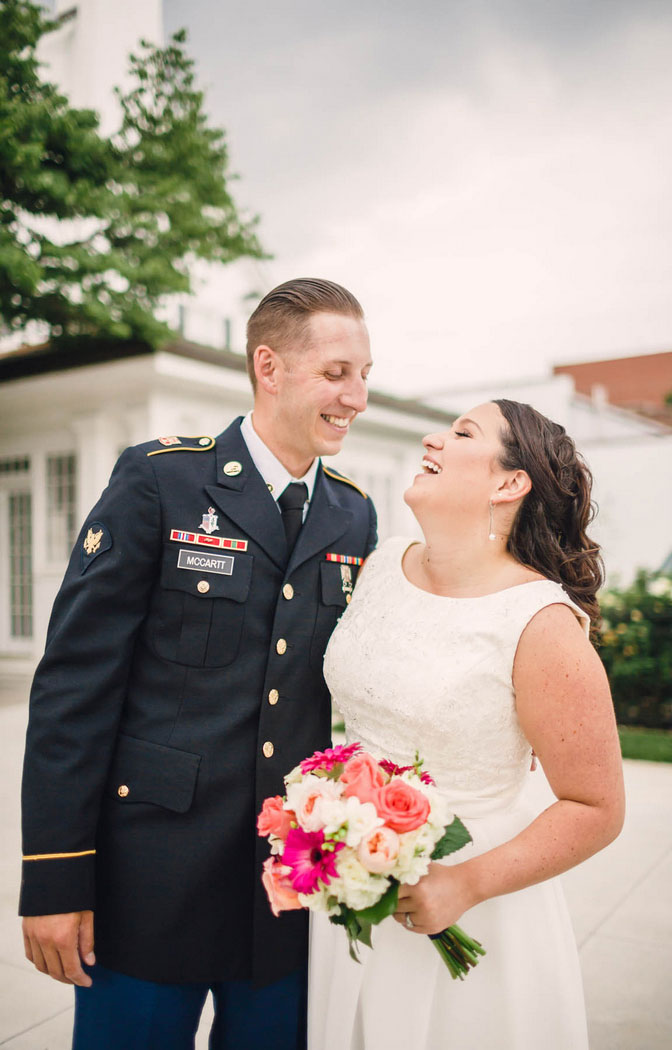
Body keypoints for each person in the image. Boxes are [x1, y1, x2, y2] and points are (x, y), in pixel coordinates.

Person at [20, 278, 377, 1050]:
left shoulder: (354, 512)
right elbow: (73, 689)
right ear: (269, 366)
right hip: (151, 883)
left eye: (365, 375)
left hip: (285, 894)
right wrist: (54, 877)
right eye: (338, 373)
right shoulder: (161, 480)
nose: (358, 397)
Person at [309, 399, 625, 1050]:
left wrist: (464, 885)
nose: (434, 438)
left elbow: (597, 806)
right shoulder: (382, 564)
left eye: (462, 433)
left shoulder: (539, 624)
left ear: (510, 483)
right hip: (352, 887)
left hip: (473, 902)